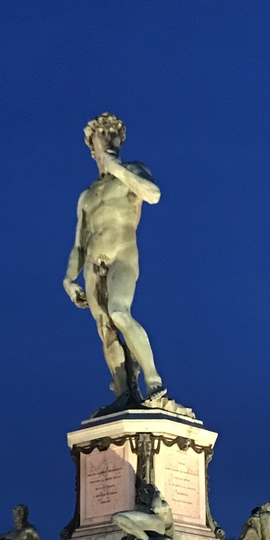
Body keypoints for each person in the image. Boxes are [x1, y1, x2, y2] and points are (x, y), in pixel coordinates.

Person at [63, 113, 166, 412]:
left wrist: (117, 169)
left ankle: (154, 381)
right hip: (94, 263)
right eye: (103, 135)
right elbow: (79, 244)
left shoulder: (132, 170)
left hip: (122, 254)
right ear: (92, 146)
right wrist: (69, 279)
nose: (109, 139)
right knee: (105, 328)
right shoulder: (86, 196)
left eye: (114, 135)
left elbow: (153, 195)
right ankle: (124, 393)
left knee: (120, 312)